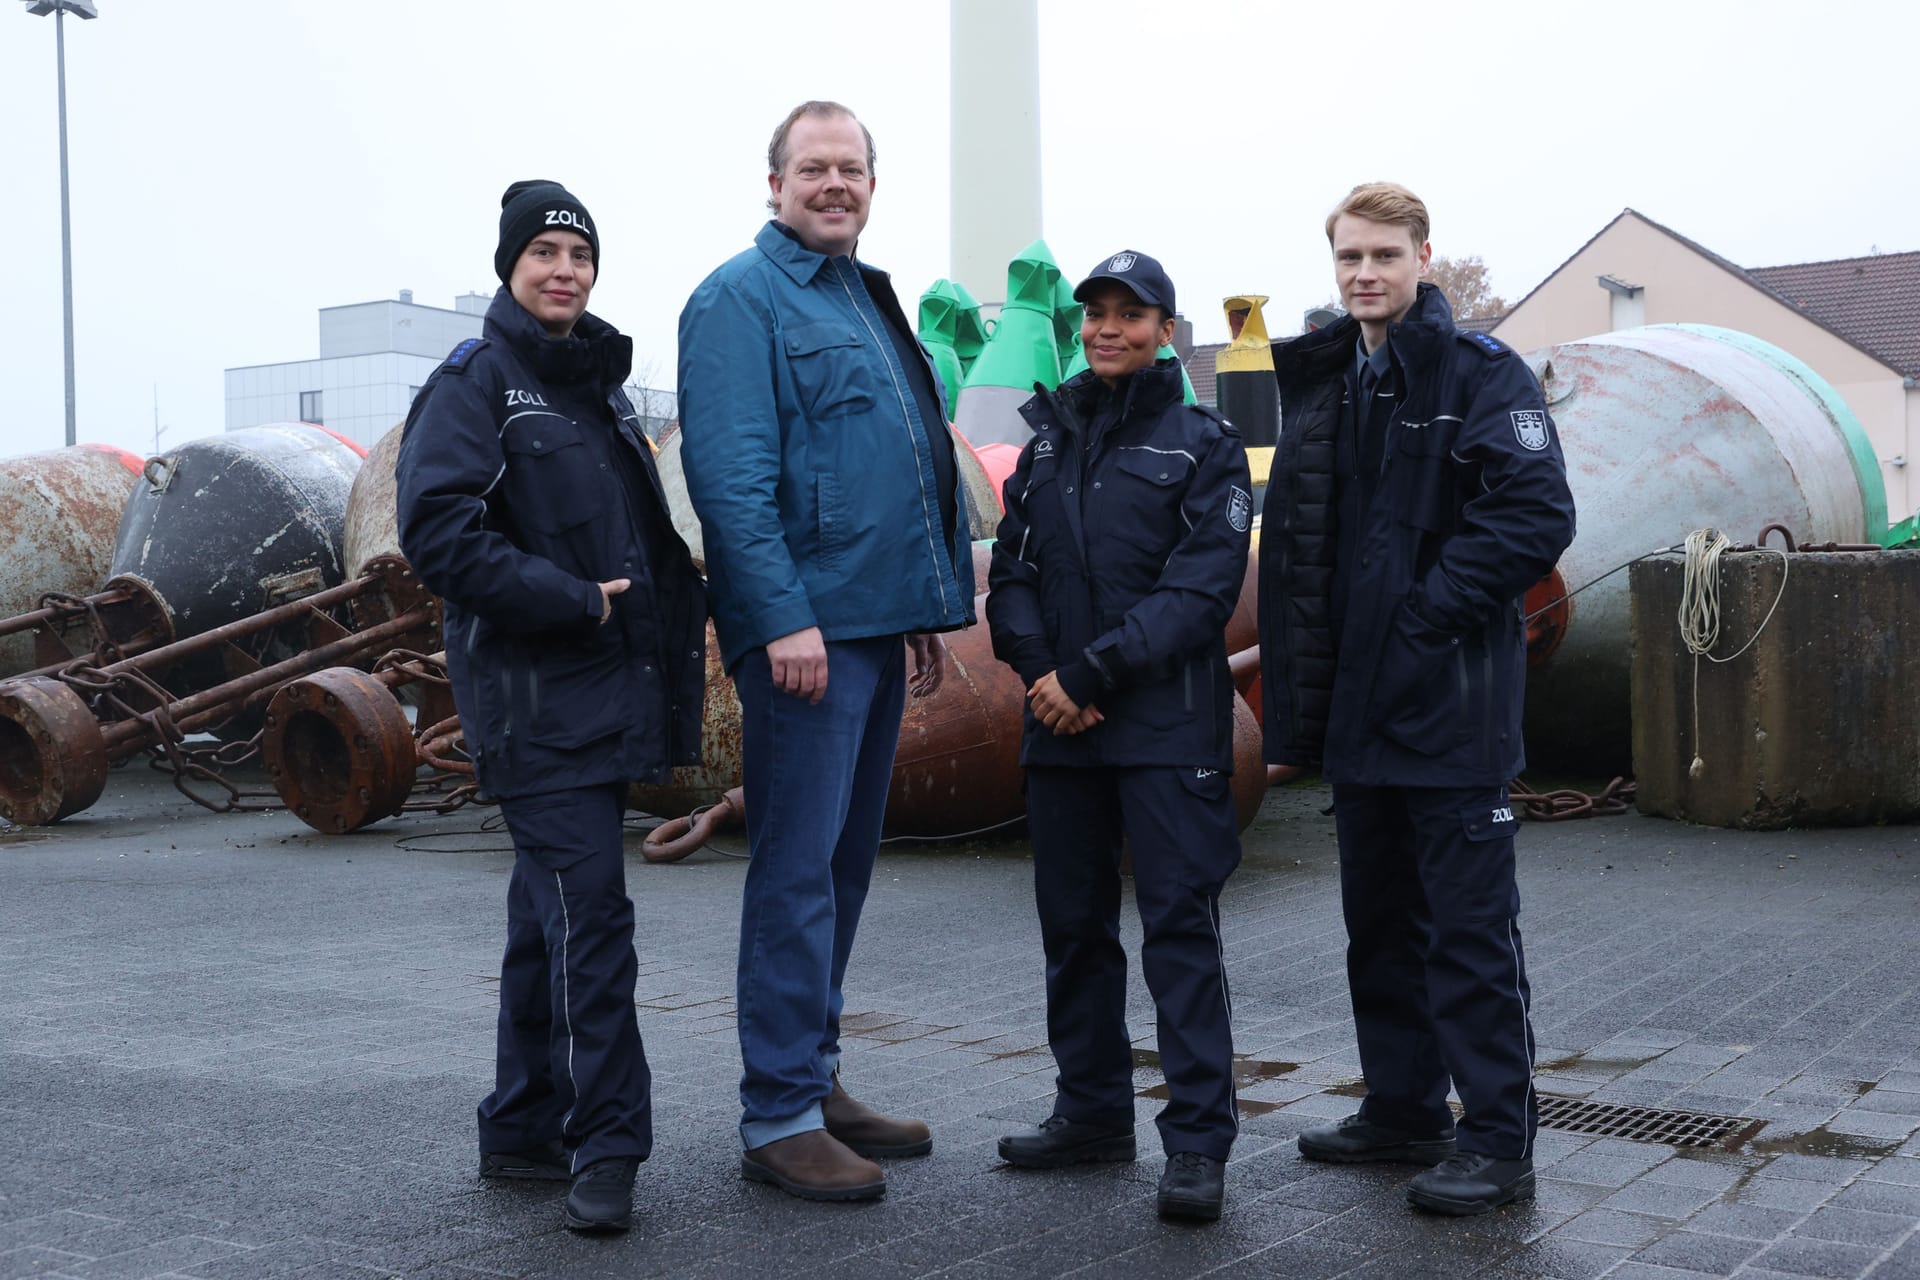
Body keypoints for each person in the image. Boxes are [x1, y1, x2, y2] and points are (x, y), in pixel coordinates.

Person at [675, 100, 975, 1203]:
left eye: (852, 168)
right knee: (797, 870)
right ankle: (778, 1113)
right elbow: (732, 481)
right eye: (814, 168)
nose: (834, 184)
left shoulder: (861, 297)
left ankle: (818, 1074)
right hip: (805, 637)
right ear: (774, 183)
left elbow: (904, 470)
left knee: (843, 867)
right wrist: (783, 616)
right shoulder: (737, 301)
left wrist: (918, 614)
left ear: (871, 185)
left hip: (868, 627)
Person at [1256, 182, 1575, 1215]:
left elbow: (1537, 512)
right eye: (1349, 255)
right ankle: (1402, 1107)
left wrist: (1426, 614)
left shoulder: (1479, 374)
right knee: (1379, 924)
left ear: (1423, 256)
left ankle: (1496, 1138)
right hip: (1359, 711)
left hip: (1450, 704)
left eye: (1384, 254)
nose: (1364, 272)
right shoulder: (1327, 384)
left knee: (1469, 934)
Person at [395, 180, 707, 1235]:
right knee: (593, 921)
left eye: (579, 251)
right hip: (534, 703)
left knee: (548, 916)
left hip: (601, 696)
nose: (564, 267)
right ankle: (609, 1143)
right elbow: (438, 535)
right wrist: (573, 601)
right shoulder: (478, 382)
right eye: (544, 250)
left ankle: (523, 1124)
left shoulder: (594, 388)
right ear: (509, 266)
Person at [987, 251, 1252, 1222]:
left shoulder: (1201, 445)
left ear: (1165, 332)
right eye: (1094, 312)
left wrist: (1090, 674)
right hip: (1060, 728)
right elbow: (1009, 572)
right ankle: (1093, 1112)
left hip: (1163, 728)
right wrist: (1036, 672)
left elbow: (1200, 590)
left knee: (1179, 929)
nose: (1107, 328)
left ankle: (1196, 1142)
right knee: (1076, 930)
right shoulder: (1046, 443)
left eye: (1130, 314)